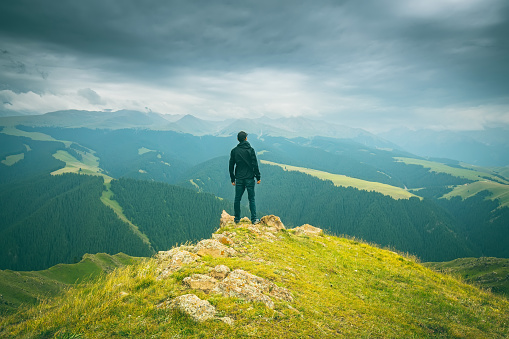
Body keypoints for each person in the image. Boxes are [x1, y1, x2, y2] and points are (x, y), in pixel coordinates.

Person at [229, 131, 261, 224]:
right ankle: (254, 219)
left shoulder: (234, 151)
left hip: (239, 178)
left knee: (237, 199)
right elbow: (255, 164)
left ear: (238, 139)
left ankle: (237, 219)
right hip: (250, 178)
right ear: (246, 138)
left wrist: (232, 179)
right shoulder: (251, 150)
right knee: (251, 199)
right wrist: (258, 177)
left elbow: (231, 166)